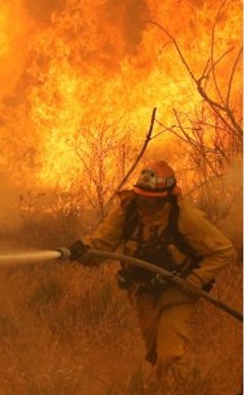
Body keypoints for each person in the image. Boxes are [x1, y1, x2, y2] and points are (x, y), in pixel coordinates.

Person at [62, 160, 236, 382]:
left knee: (170, 355)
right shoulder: (128, 212)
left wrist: (196, 278)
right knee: (155, 354)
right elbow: (102, 244)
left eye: (152, 199)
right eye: (142, 195)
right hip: (142, 292)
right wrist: (79, 250)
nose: (145, 202)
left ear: (166, 197)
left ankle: (185, 390)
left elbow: (224, 250)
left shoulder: (184, 217)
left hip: (177, 291)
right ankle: (168, 386)